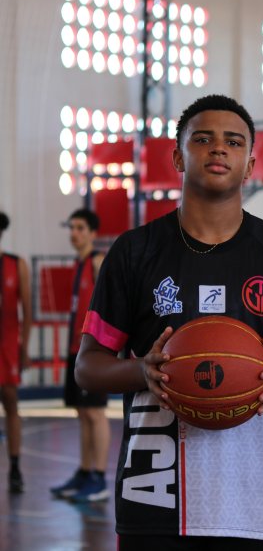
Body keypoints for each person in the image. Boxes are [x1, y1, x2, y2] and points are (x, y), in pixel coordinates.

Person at [75, 94, 263, 550]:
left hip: (252, 504)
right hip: (155, 499)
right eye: (203, 139)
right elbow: (88, 368)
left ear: (251, 162)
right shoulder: (135, 251)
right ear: (178, 156)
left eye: (233, 142)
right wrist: (142, 371)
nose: (219, 149)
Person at [50, 208, 110, 502]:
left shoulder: (98, 262)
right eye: (71, 227)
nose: (74, 233)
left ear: (92, 233)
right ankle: (85, 471)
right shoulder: (79, 264)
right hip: (76, 350)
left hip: (94, 350)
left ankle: (99, 477)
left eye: (80, 228)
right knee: (82, 412)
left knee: (95, 413)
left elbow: (112, 304)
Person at [0, 212, 32, 494]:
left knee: (11, 404)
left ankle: (15, 467)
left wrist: (25, 348)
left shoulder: (15, 264)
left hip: (8, 344)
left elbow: (28, 310)